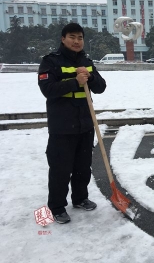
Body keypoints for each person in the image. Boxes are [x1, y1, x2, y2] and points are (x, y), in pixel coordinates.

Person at [38, 23, 107, 224]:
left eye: (80, 38)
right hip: (62, 126)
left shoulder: (87, 61)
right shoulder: (50, 62)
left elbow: (101, 87)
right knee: (60, 168)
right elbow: (48, 89)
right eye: (72, 37)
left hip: (85, 124)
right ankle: (57, 207)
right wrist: (75, 81)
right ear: (63, 38)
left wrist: (91, 76)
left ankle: (80, 198)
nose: (76, 41)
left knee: (83, 166)